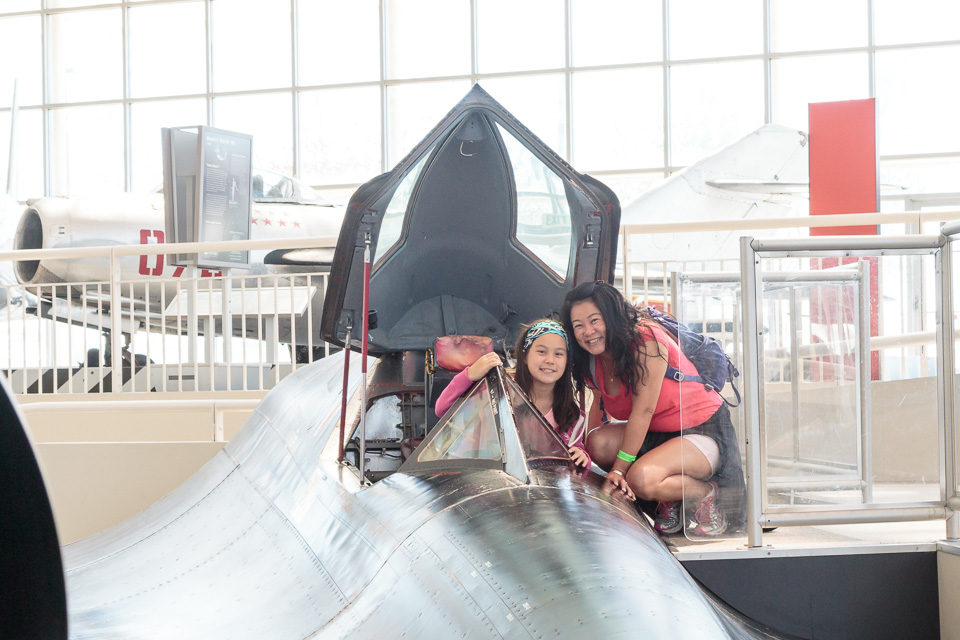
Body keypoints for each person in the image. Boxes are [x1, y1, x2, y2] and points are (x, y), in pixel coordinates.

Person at [560, 281, 745, 536]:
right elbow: (598, 407)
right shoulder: (593, 359)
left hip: (701, 431)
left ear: (612, 316)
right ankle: (669, 496)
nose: (588, 331)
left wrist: (618, 470)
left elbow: (643, 411)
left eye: (595, 320)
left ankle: (706, 493)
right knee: (597, 443)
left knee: (641, 478)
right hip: (657, 434)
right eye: (578, 325)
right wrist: (586, 455)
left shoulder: (646, 338)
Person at [434, 320, 593, 470]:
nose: (550, 360)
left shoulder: (572, 414)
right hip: (477, 472)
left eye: (558, 354)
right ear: (525, 356)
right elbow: (442, 409)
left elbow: (574, 456)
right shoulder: (499, 390)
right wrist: (469, 375)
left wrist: (582, 457)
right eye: (541, 351)